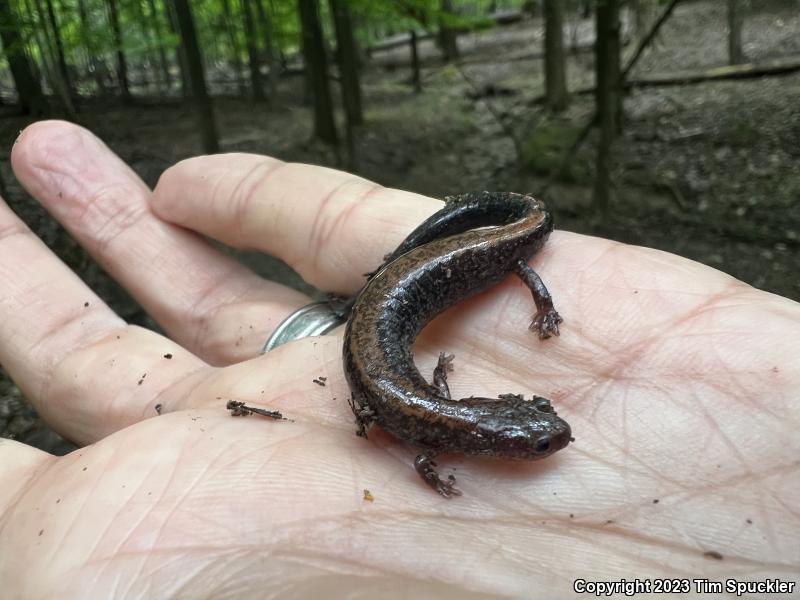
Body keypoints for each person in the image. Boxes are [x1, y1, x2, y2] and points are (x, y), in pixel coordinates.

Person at [0, 121, 798, 597]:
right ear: (488, 432)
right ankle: (422, 265)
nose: (551, 436)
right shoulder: (438, 429)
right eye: (539, 432)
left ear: (494, 428)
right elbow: (420, 452)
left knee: (490, 255)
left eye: (538, 431)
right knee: (441, 283)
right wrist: (430, 439)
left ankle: (443, 255)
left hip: (408, 314)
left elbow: (422, 447)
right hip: (394, 325)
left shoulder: (439, 425)